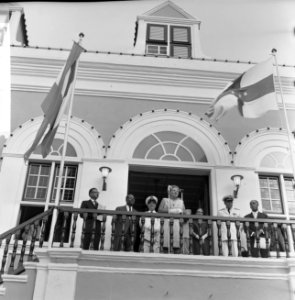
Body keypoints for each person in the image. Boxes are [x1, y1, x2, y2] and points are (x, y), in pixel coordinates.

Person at [158, 185, 185, 253]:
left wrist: (182, 212)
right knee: (165, 243)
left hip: (177, 224)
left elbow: (184, 213)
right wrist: (171, 211)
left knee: (177, 244)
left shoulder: (181, 201)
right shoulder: (165, 200)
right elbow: (159, 210)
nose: (176, 192)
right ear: (169, 192)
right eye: (174, 190)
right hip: (166, 224)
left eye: (177, 191)